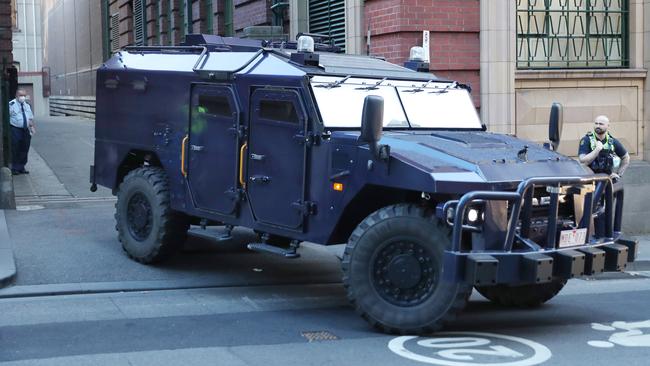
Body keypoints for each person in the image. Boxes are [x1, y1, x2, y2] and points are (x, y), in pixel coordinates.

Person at [578, 115, 630, 181]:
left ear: (608, 126)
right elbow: (582, 160)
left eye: (601, 124)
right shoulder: (586, 140)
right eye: (596, 123)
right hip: (590, 179)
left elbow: (626, 157)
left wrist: (618, 174)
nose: (598, 126)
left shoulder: (612, 141)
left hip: (607, 179)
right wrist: (597, 150)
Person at [8, 89, 36, 175]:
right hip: (15, 129)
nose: (23, 97)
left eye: (24, 95)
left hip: (25, 129)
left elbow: (30, 118)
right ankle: (15, 168)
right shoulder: (11, 104)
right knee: (16, 148)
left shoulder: (27, 105)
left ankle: (21, 167)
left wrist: (32, 127)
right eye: (21, 95)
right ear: (16, 95)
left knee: (25, 148)